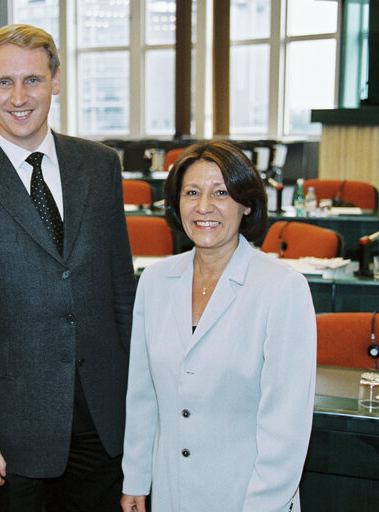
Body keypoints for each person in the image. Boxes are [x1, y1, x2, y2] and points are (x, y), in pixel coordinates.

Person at [0, 24, 136, 512]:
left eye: (33, 80)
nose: (19, 97)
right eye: (4, 82)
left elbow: (122, 294)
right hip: (6, 441)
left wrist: (140, 408)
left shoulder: (101, 166)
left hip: (104, 426)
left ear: (56, 80)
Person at [121, 140, 316, 512]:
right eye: (192, 192)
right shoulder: (156, 280)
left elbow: (285, 427)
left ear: (246, 204)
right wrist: (136, 478)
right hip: (170, 491)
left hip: (247, 496)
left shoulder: (281, 288)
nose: (204, 206)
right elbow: (143, 394)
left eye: (221, 193)